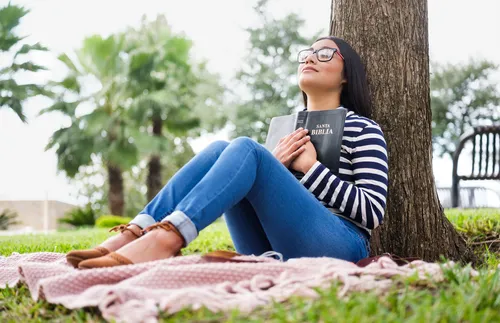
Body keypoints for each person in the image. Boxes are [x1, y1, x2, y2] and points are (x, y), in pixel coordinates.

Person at [66, 36, 388, 269]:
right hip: (268, 249)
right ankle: (138, 231)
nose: (309, 58)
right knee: (223, 149)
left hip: (340, 245)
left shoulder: (363, 129)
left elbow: (372, 213)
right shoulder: (285, 131)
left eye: (325, 53)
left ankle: (168, 238)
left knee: (247, 149)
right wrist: (273, 167)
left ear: (346, 75)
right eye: (307, 53)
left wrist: (312, 169)